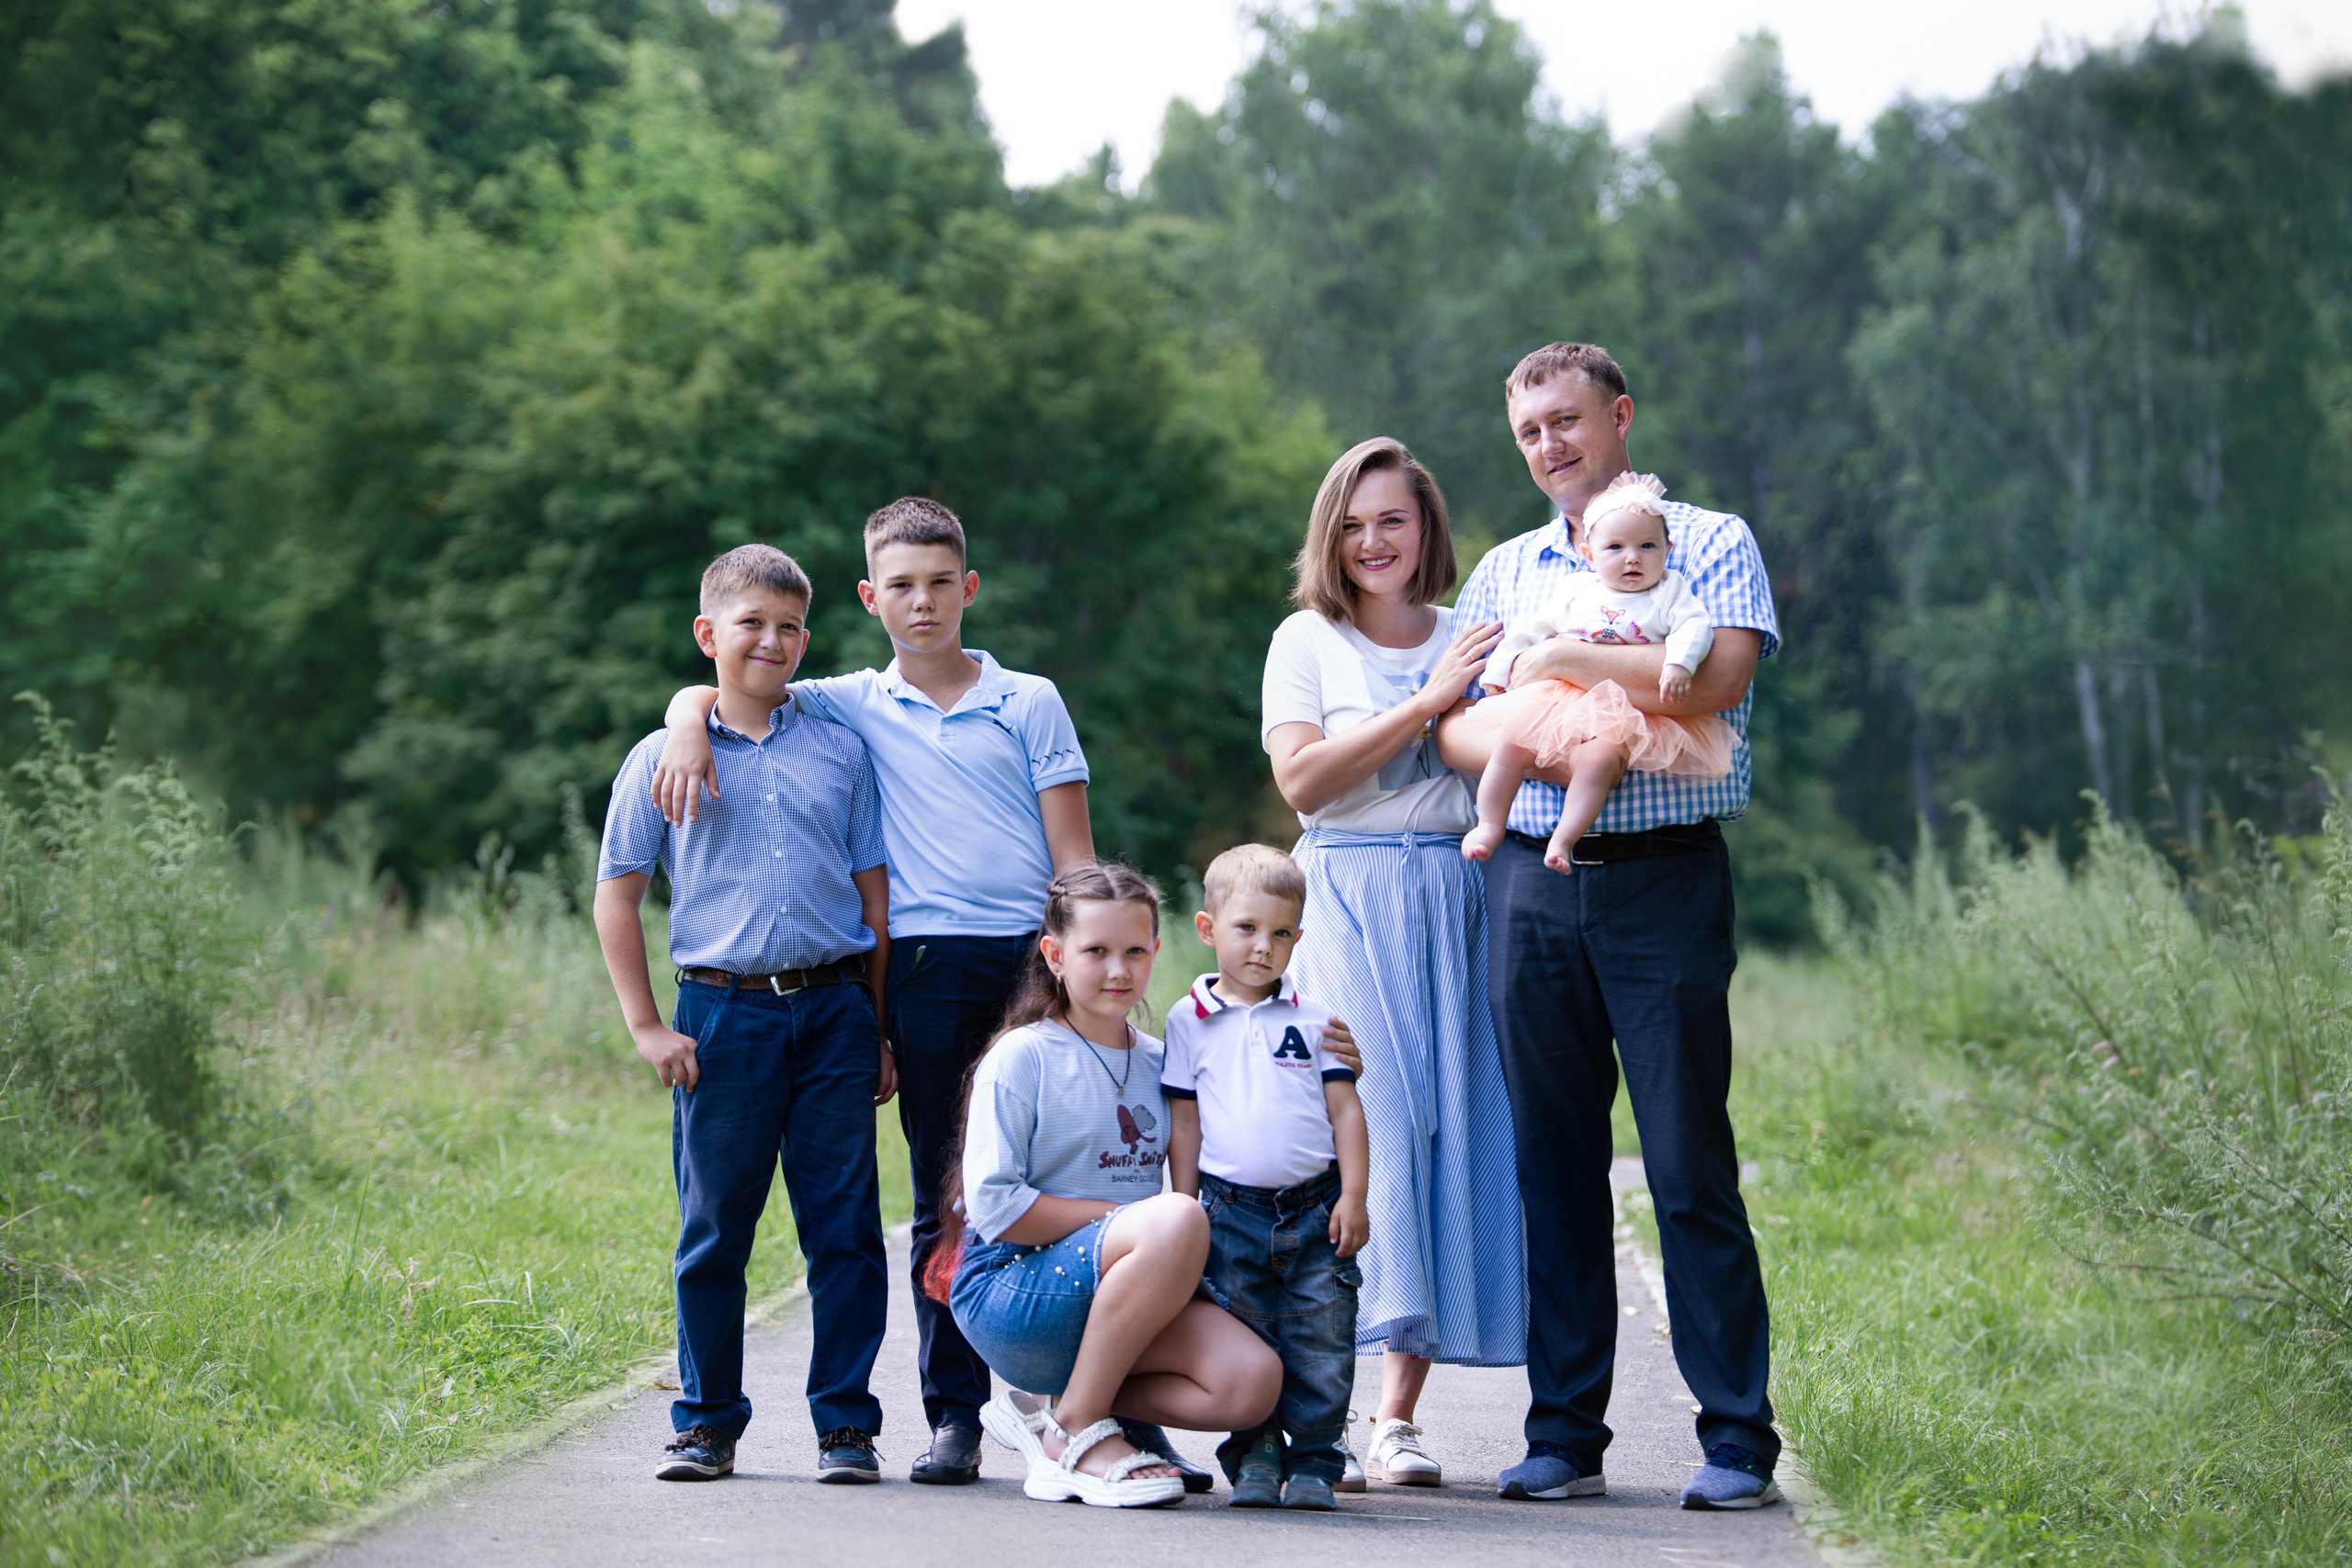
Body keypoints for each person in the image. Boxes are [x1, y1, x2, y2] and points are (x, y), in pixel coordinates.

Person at [648, 498, 1112, 1486]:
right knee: (948, 1196)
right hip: (927, 971)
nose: (923, 602)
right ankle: (956, 1414)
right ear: (869, 598)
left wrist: (1080, 974)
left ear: (969, 588)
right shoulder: (846, 701)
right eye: (900, 586)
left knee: (1072, 1176)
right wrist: (684, 717)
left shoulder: (1028, 700)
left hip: (1032, 962)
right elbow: (735, 685)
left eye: (941, 582)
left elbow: (1072, 861)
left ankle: (1096, 1404)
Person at [1442, 342, 1784, 1509]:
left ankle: (1736, 1438)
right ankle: (1564, 1435)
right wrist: (1557, 719)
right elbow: (1457, 731)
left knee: (1687, 1160)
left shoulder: (1709, 540)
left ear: (1620, 416)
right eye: (1529, 429)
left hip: (1664, 880)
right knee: (1552, 1162)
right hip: (1532, 883)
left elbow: (1715, 682)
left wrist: (1561, 662)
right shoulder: (1501, 569)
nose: (1549, 445)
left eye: (1567, 421)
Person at [591, 544, 895, 1484]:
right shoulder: (661, 754)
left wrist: (877, 1025)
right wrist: (646, 1025)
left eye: (789, 626)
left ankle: (845, 1427)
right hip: (721, 1017)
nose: (772, 640)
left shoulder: (840, 748)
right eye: (751, 623)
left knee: (843, 1228)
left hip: (835, 1010)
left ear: (808, 637)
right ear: (707, 634)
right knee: (715, 1226)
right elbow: (617, 891)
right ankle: (705, 1423)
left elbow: (872, 894)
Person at [1261, 435, 1526, 1490]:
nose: (1373, 541)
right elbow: (1304, 785)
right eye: (1354, 523)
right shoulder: (1307, 639)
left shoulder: (1477, 632)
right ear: (1332, 537)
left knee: (1447, 1130)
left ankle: (1396, 1417)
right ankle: (1315, 1397)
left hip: (1458, 894)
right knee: (1364, 1133)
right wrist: (1424, 704)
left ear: (1427, 532)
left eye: (1394, 521)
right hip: (1347, 894)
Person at [940, 862, 1284, 1508]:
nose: (1118, 970)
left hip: (1122, 1294)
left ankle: (1054, 1407)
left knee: (1251, 1383)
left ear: (1156, 950)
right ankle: (1074, 1435)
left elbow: (1246, 1129)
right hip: (1013, 1291)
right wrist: (1125, 1218)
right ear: (1055, 954)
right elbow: (995, 1205)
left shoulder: (1164, 1061)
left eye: (1134, 950)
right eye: (1095, 950)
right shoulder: (1023, 1056)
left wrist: (1327, 1061)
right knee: (1175, 1216)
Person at [1163, 844, 1370, 1513]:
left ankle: (1314, 1459)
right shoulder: (1187, 1020)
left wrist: (1356, 1198)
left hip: (1316, 1208)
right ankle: (1254, 1453)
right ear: (1208, 929)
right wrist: (1184, 1207)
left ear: (1299, 939)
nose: (1263, 946)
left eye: (1281, 933)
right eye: (1247, 928)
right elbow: (1185, 1125)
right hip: (1229, 1212)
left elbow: (1346, 1110)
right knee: (1244, 1330)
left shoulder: (1315, 1021)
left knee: (1321, 1335)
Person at [1464, 470, 1736, 874]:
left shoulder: (1668, 591)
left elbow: (1694, 627)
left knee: (1598, 762)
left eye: (1647, 546)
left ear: (1667, 549)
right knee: (1510, 745)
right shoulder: (1576, 589)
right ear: (1590, 555)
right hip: (1558, 699)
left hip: (1623, 712)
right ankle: (1489, 823)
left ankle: (1564, 839)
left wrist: (1679, 662)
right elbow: (1529, 631)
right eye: (1615, 547)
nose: (1632, 557)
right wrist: (1498, 671)